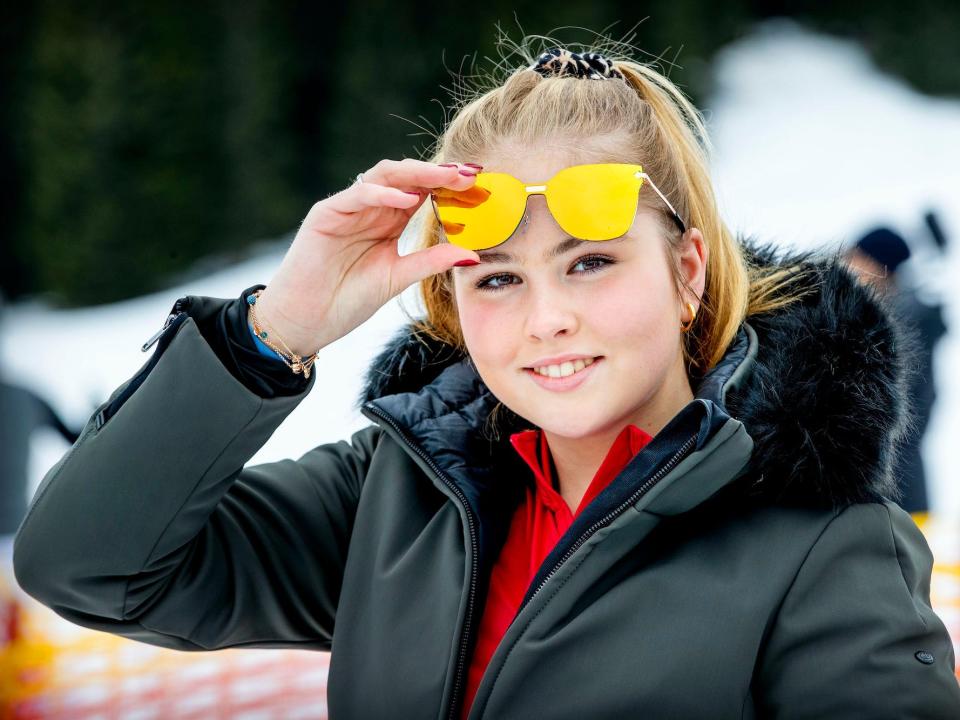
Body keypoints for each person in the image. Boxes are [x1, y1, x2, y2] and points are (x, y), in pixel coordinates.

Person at [12, 41, 960, 718]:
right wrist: (275, 330)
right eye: (497, 278)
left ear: (686, 273)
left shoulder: (828, 550)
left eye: (590, 261)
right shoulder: (396, 503)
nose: (547, 315)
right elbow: (86, 567)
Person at [845, 226, 948, 514]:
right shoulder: (877, 318)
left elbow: (911, 414)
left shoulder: (905, 327)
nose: (848, 265)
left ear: (882, 269)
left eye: (858, 258)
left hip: (896, 488)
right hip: (884, 485)